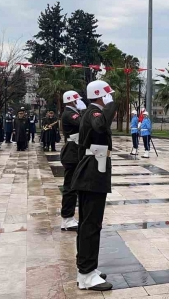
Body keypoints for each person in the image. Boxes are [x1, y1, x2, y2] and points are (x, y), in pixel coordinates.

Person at [70, 80, 116, 291]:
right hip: (91, 173)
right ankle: (86, 274)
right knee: (90, 225)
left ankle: (88, 269)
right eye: (107, 95)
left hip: (94, 171)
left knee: (91, 224)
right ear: (101, 96)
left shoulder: (91, 112)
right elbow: (101, 125)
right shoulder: (93, 113)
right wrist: (111, 105)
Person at [60, 90, 86, 232]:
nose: (79, 102)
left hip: (74, 150)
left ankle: (68, 217)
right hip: (71, 152)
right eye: (77, 100)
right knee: (70, 187)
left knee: (72, 186)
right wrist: (85, 111)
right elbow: (83, 123)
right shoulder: (70, 113)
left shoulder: (71, 112)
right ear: (71, 101)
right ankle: (67, 218)